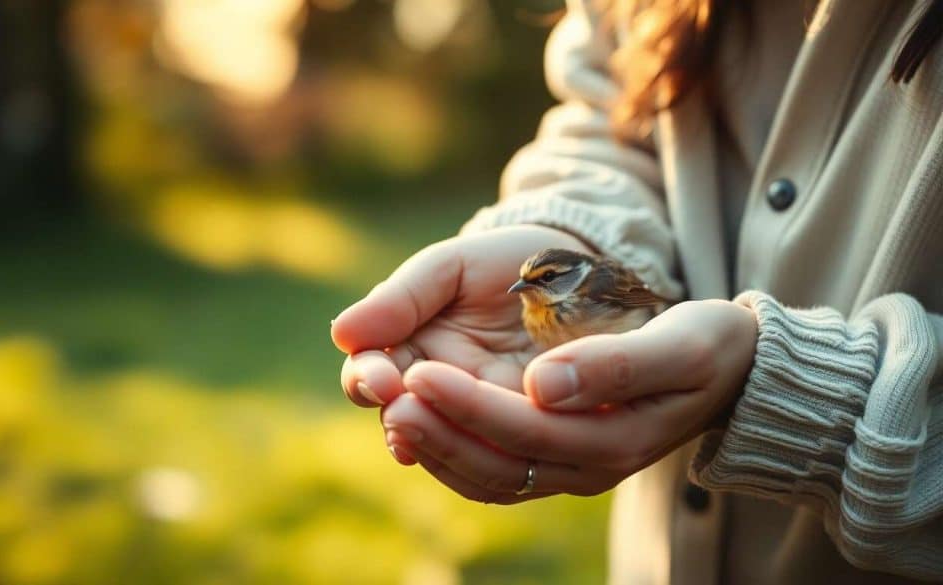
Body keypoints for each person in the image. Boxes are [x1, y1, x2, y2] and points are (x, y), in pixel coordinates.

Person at [331, 0, 943, 582]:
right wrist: (566, 217)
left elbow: (640, 300)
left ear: (569, 281)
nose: (524, 290)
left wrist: (761, 380)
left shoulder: (598, 291)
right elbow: (611, 116)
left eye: (542, 281)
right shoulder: (534, 309)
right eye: (525, 280)